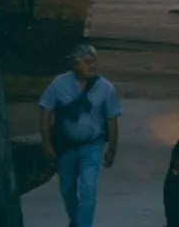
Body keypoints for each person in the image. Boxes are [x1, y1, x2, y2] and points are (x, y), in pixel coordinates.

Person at [38, 44, 122, 227]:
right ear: (75, 64)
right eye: (87, 62)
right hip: (66, 146)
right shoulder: (59, 84)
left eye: (94, 62)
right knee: (67, 188)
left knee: (89, 188)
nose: (92, 66)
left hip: (92, 145)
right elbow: (46, 111)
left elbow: (112, 119)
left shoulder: (105, 88)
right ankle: (75, 221)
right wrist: (47, 144)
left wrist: (112, 148)